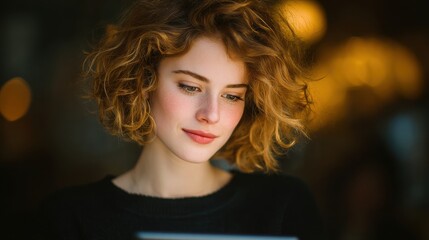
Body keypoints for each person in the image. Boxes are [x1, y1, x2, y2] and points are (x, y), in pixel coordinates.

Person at [37, 0, 323, 239]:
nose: (211, 114)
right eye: (190, 87)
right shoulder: (70, 218)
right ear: (144, 80)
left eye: (232, 96)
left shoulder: (284, 207)